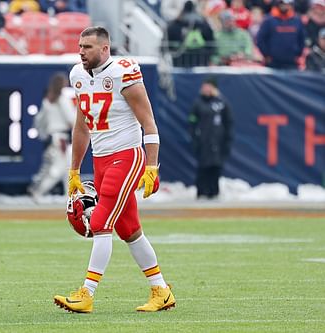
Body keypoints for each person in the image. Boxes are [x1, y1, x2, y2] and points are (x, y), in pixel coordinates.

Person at [53, 26, 176, 313]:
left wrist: (152, 166)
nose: (81, 51)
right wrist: (74, 170)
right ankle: (161, 290)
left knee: (100, 222)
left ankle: (87, 293)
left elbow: (149, 123)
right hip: (101, 160)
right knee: (129, 229)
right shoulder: (78, 75)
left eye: (88, 47)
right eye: (80, 46)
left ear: (105, 49)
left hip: (127, 156)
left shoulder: (124, 72)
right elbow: (82, 126)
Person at [28, 72, 75, 201]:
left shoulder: (47, 101)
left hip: (52, 138)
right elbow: (71, 119)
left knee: (67, 168)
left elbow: (38, 121)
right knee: (58, 169)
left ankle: (70, 195)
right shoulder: (63, 99)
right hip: (61, 139)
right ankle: (38, 191)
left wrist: (43, 135)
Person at [188, 76, 233, 199]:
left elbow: (228, 122)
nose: (206, 90)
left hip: (218, 141)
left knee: (216, 167)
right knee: (203, 167)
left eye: (209, 87)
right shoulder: (198, 103)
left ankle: (214, 192)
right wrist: (195, 137)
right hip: (203, 141)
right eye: (204, 87)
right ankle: (201, 191)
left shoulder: (221, 102)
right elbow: (192, 121)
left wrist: (227, 140)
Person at [256, 0, 306, 69]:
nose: (284, 6)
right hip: (273, 62)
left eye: (287, 4)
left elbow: (302, 39)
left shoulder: (297, 20)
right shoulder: (269, 20)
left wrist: (298, 55)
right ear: (278, 4)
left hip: (291, 62)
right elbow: (260, 39)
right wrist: (266, 55)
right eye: (282, 4)